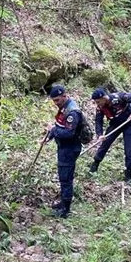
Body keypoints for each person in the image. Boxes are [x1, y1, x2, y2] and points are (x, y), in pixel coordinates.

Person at [45, 84, 91, 218]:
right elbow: (60, 125)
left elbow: (68, 133)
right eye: (54, 101)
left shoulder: (72, 112)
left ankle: (65, 209)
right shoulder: (64, 108)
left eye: (58, 100)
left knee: (66, 178)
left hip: (70, 148)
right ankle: (63, 202)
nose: (56, 103)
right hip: (64, 147)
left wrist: (53, 131)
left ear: (65, 96)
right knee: (63, 176)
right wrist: (50, 135)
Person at [89, 88, 131, 184]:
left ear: (104, 97)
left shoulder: (119, 97)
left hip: (128, 123)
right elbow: (98, 121)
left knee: (129, 149)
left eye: (98, 101)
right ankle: (94, 166)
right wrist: (99, 135)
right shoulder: (100, 108)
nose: (98, 104)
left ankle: (128, 175)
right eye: (96, 102)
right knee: (105, 144)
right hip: (115, 124)